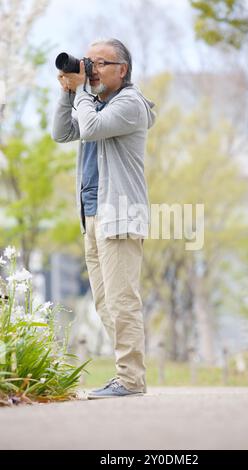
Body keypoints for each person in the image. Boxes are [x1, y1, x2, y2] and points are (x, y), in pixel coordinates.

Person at [52, 38, 156, 398]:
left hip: (120, 213)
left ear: (122, 70)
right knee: (104, 302)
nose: (91, 69)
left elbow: (92, 127)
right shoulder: (92, 103)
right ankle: (126, 374)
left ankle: (130, 380)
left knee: (122, 299)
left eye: (99, 63)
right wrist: (69, 94)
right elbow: (62, 132)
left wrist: (80, 91)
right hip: (93, 216)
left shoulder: (130, 103)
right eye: (88, 62)